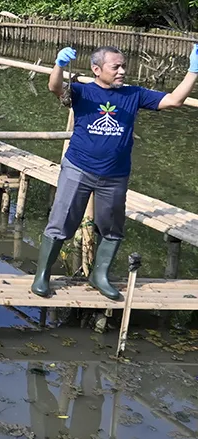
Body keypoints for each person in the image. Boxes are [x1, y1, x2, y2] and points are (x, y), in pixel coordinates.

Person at [31, 44, 198, 300]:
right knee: (62, 221)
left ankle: (100, 276)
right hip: (78, 168)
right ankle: (42, 276)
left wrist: (193, 71)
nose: (122, 71)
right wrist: (59, 65)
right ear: (96, 69)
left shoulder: (134, 94)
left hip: (115, 175)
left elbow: (174, 101)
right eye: (115, 67)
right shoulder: (82, 91)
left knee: (111, 227)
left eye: (123, 66)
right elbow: (55, 88)